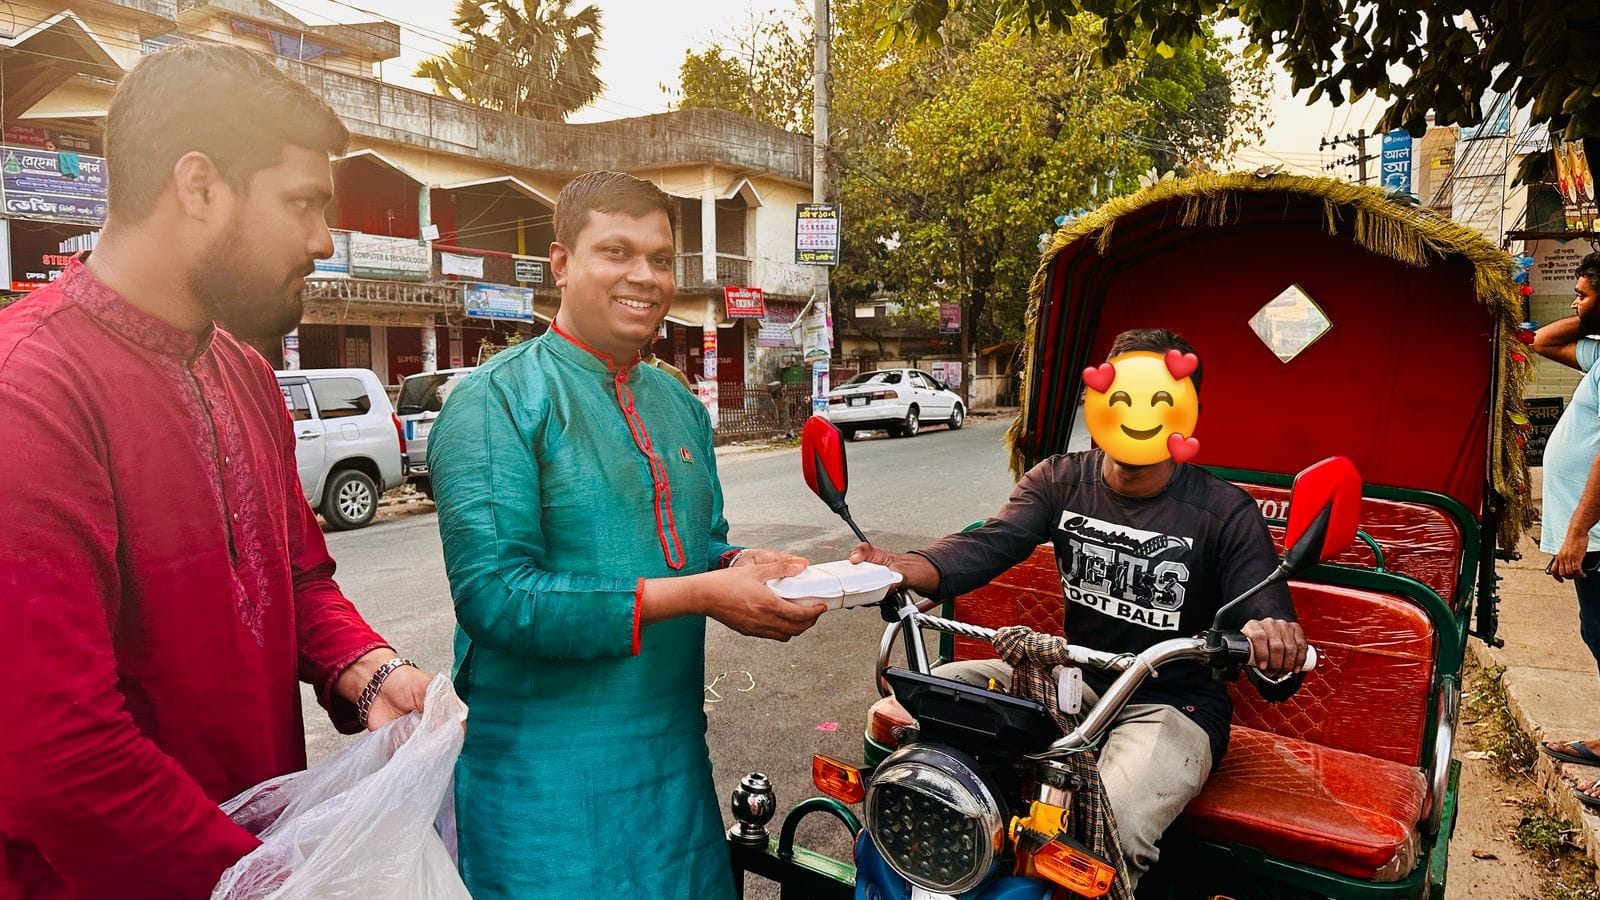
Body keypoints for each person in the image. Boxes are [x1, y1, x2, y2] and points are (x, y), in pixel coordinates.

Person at [0, 44, 433, 898]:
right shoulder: (31, 394)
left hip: (258, 857)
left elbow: (300, 578)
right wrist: (269, 879)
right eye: (304, 203)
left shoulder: (240, 370)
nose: (322, 239)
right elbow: (58, 755)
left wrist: (371, 672)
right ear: (198, 187)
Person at [428, 170, 826, 899]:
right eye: (616, 251)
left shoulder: (677, 401)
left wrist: (743, 565)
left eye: (661, 258)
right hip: (540, 794)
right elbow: (497, 598)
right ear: (561, 264)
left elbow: (699, 542)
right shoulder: (496, 402)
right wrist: (704, 590)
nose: (645, 277)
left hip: (673, 780)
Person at [850, 328, 1308, 888]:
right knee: (935, 701)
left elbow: (1269, 631)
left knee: (1113, 822)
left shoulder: (1225, 513)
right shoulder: (1060, 479)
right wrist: (898, 565)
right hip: (1067, 679)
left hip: (1171, 704)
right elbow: (989, 545)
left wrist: (1275, 641)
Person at [1530, 252, 1600, 806]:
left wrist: (1576, 531)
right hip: (1590, 534)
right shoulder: (1599, 353)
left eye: (1583, 293)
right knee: (1596, 638)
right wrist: (1591, 315)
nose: (1574, 302)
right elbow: (1543, 341)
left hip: (1597, 535)